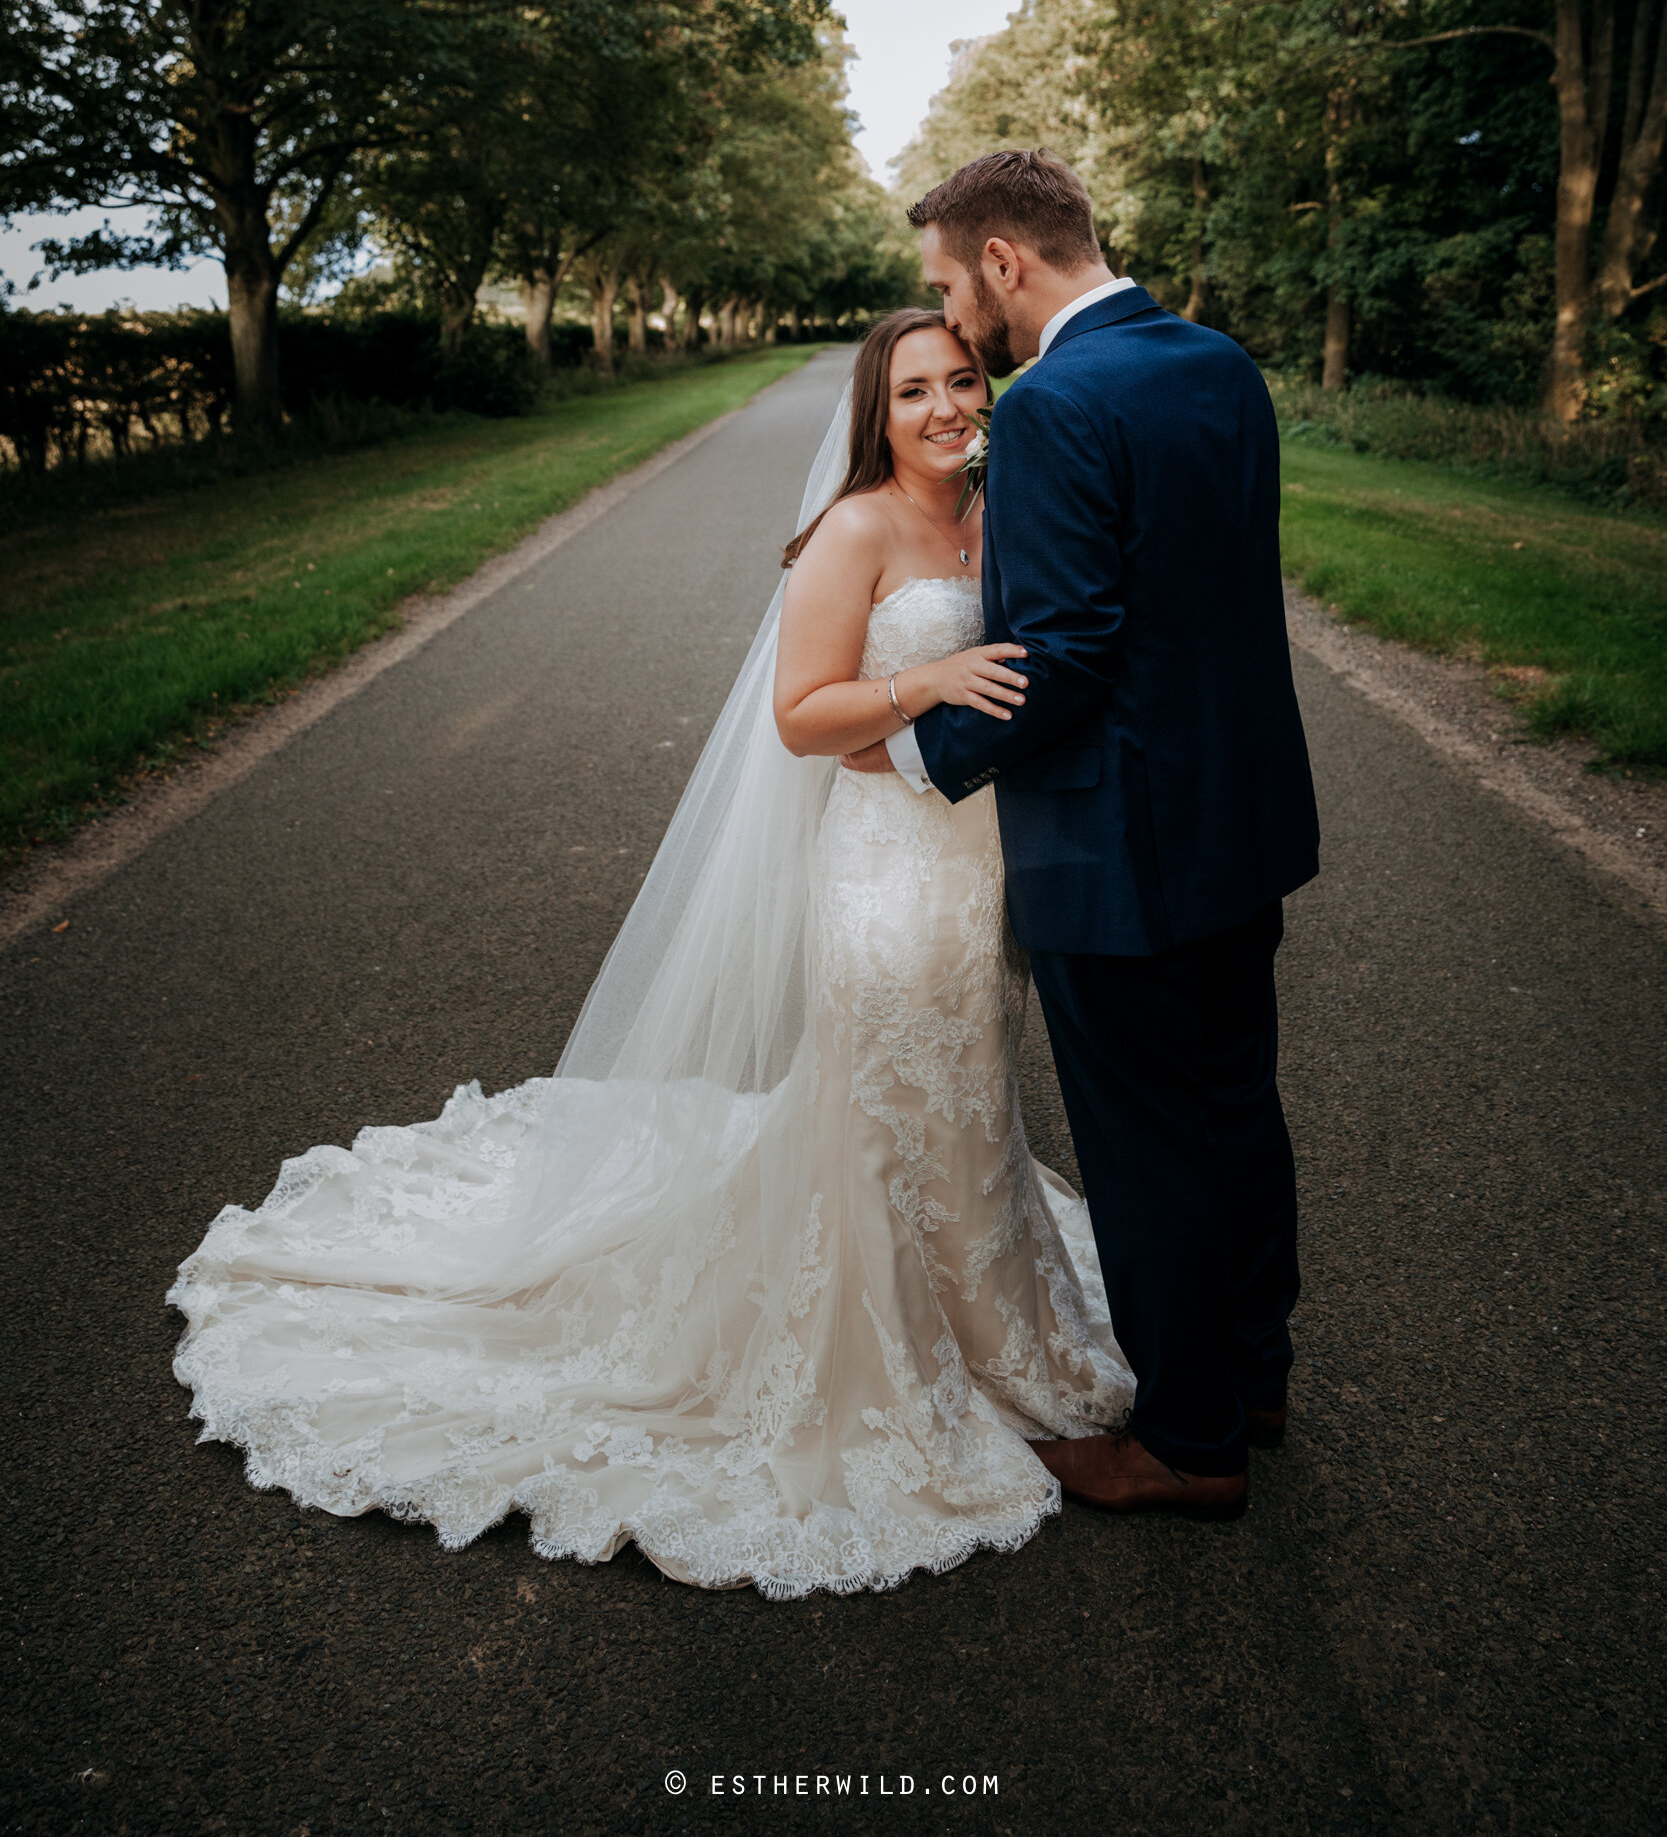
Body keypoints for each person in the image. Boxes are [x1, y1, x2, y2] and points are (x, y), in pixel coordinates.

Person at [169, 308, 1132, 1598]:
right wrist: (928, 686)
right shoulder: (852, 531)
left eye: (964, 379)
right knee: (884, 1102)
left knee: (968, 1098)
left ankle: (990, 1325)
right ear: (876, 413)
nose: (949, 407)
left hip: (981, 869)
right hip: (888, 881)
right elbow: (803, 718)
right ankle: (886, 1351)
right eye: (916, 392)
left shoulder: (998, 511)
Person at [850, 149, 1318, 1516]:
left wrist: (920, 755)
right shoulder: (1217, 363)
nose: (953, 312)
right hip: (1244, 822)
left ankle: (1188, 1440)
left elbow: (1068, 652)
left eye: (949, 282)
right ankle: (1255, 1369)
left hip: (1123, 851)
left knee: (1148, 1143)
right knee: (1235, 1108)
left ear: (1003, 262)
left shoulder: (1053, 403)